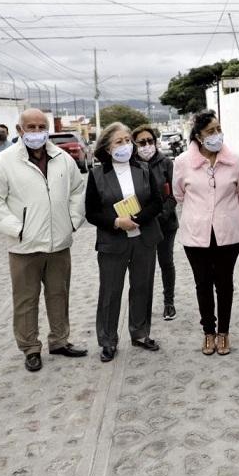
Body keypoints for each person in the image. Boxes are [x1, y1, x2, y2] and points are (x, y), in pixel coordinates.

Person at [0, 109, 87, 372]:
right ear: (20, 130)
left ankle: (60, 340)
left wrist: (72, 221)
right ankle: (30, 347)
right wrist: (18, 229)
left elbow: (77, 191)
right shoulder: (3, 162)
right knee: (26, 300)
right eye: (31, 127)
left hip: (59, 244)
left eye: (42, 126)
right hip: (24, 247)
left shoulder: (63, 159)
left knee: (58, 295)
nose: (37, 131)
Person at [174, 110, 239, 356]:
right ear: (198, 136)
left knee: (224, 283)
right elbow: (179, 195)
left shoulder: (236, 160)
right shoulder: (183, 162)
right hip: (196, 233)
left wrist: (223, 216)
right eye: (210, 131)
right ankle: (209, 331)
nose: (216, 135)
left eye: (218, 129)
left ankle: (224, 333)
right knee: (203, 283)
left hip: (228, 231)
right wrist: (203, 215)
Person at [86, 123, 163, 362]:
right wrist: (117, 222)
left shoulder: (142, 168)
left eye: (128, 140)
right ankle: (108, 340)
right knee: (110, 291)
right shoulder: (97, 175)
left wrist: (137, 220)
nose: (126, 145)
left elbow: (157, 202)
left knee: (142, 287)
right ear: (107, 148)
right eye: (119, 142)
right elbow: (91, 212)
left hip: (143, 238)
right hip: (113, 241)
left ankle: (140, 333)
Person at [133, 124, 179, 321]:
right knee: (143, 265)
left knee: (166, 261)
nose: (146, 145)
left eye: (150, 141)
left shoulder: (166, 163)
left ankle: (169, 302)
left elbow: (174, 193)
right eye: (142, 142)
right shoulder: (131, 165)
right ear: (135, 145)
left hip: (166, 223)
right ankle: (143, 304)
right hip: (141, 224)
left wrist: (162, 213)